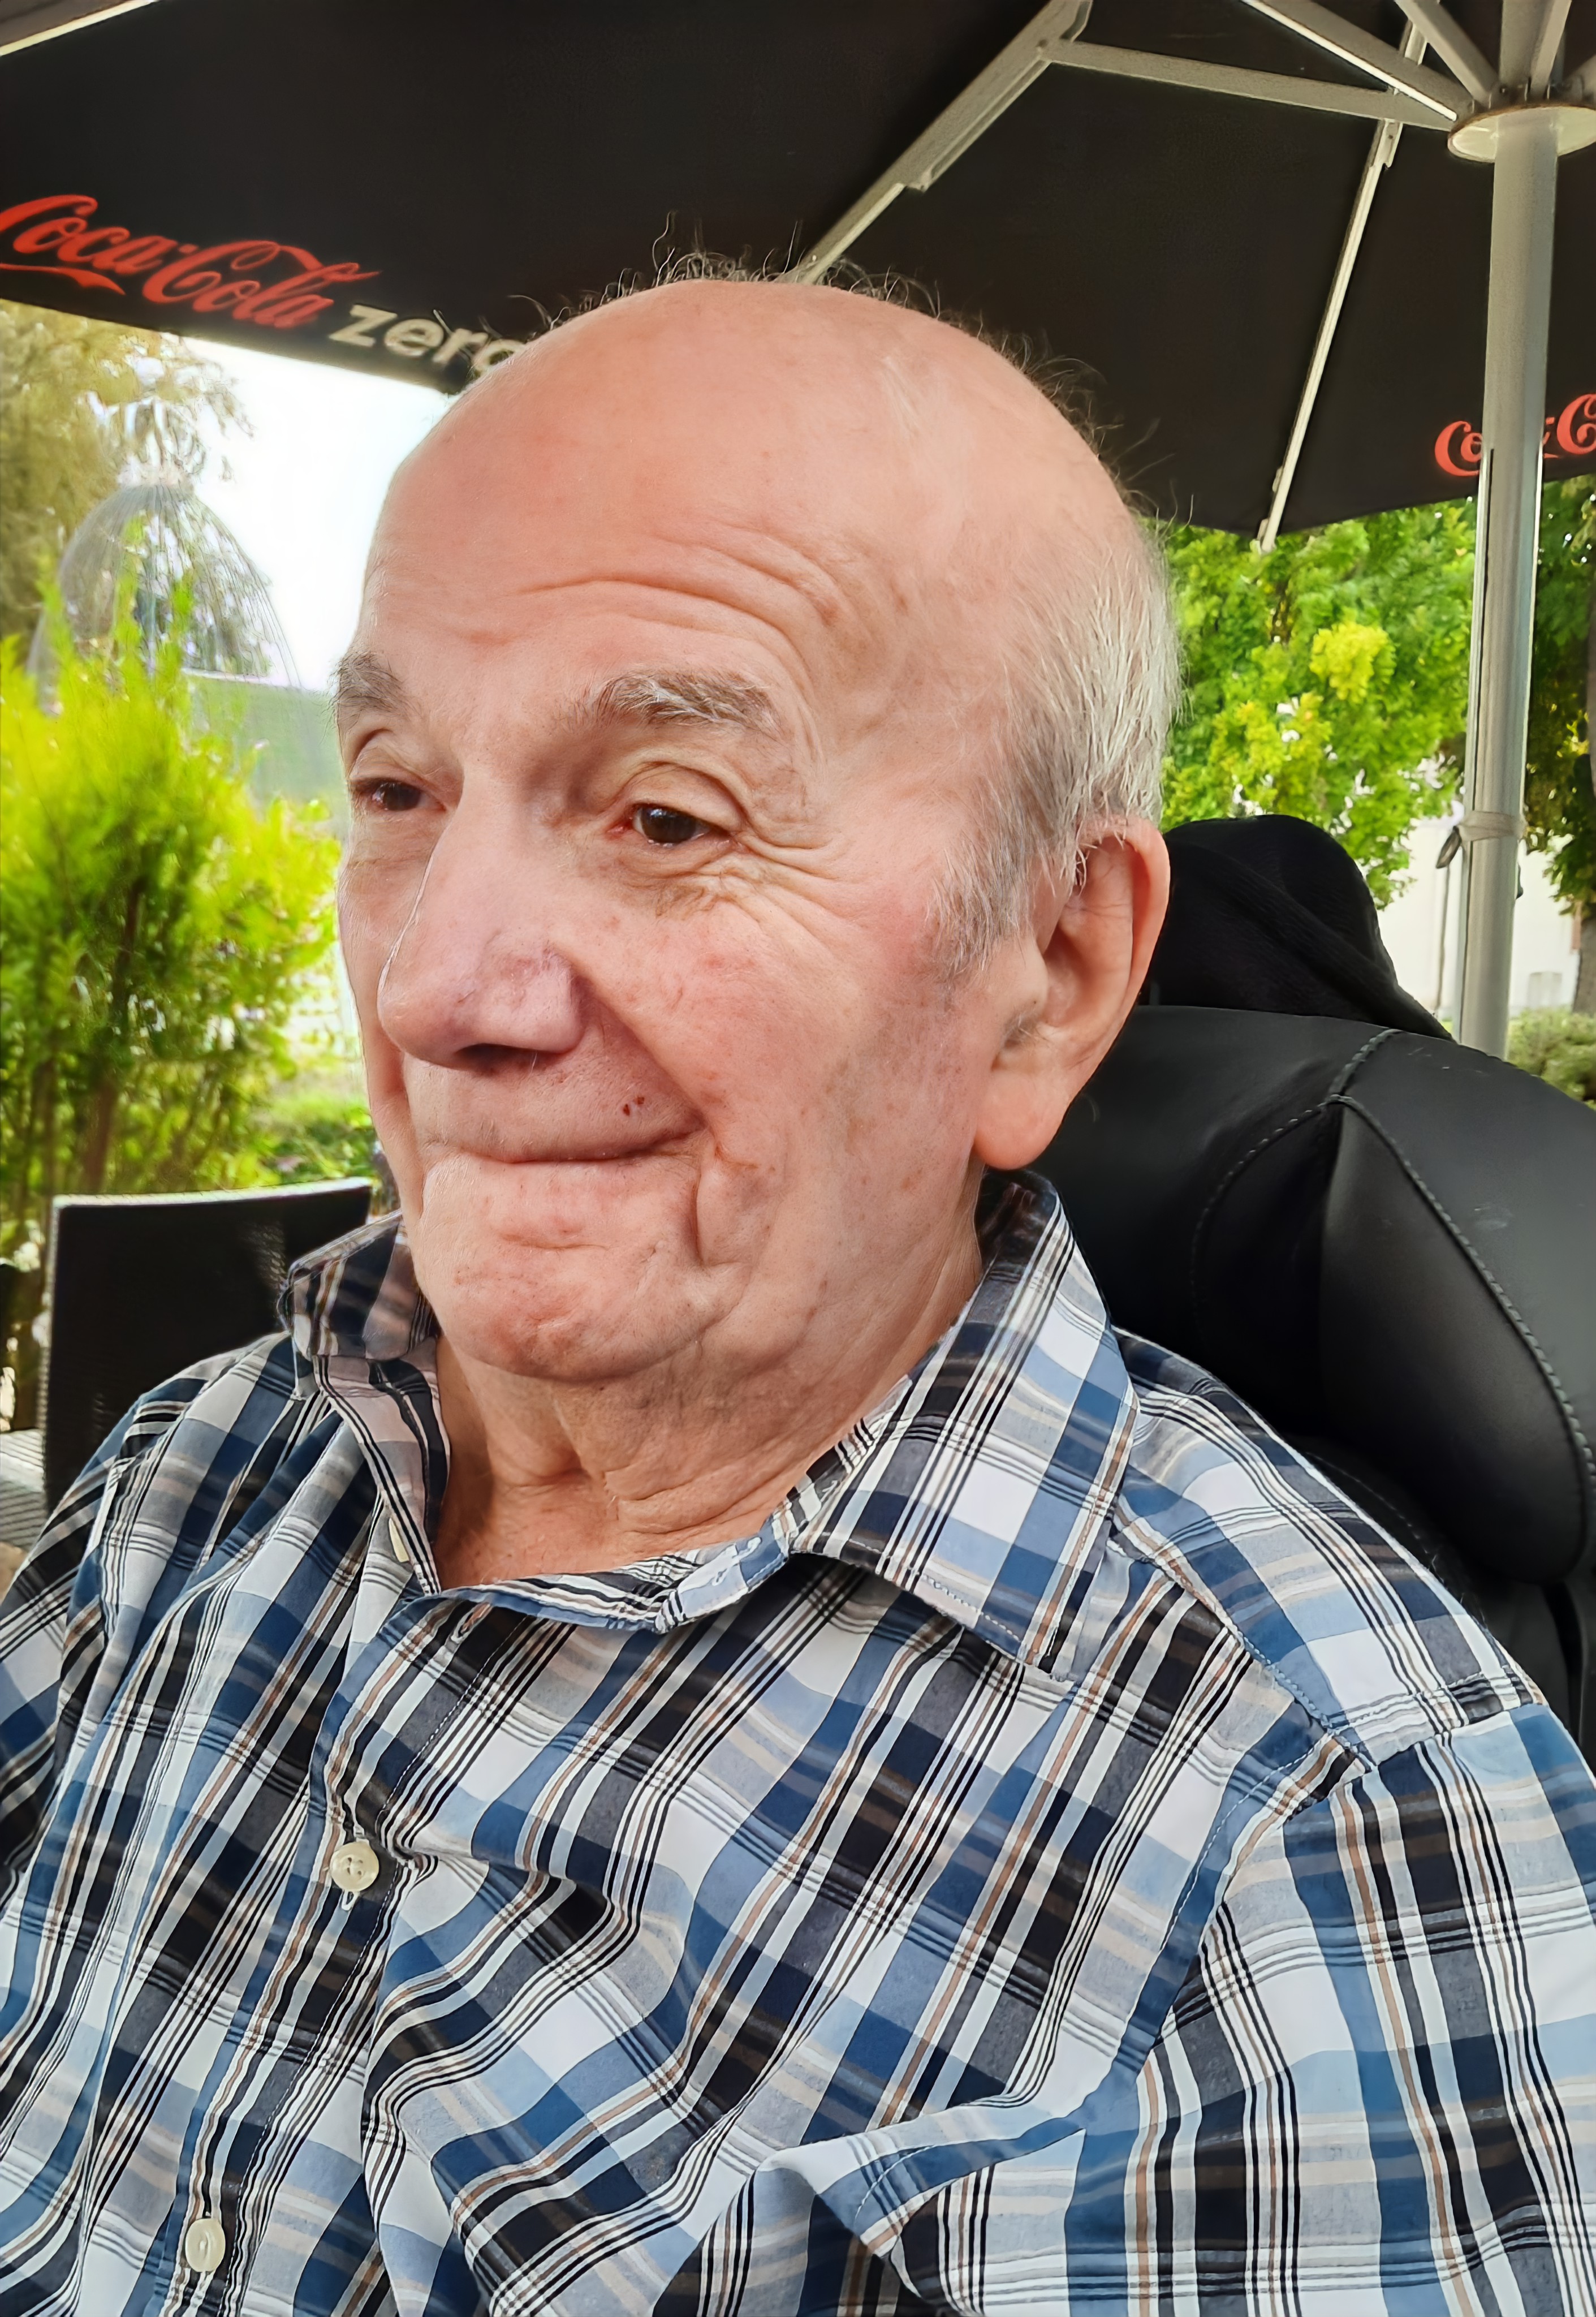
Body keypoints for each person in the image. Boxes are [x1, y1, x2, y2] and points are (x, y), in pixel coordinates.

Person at [2, 277, 1591, 2317]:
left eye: (667, 817)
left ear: (1052, 974)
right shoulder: (203, 1474)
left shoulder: (1321, 1872)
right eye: (395, 788)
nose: (432, 988)